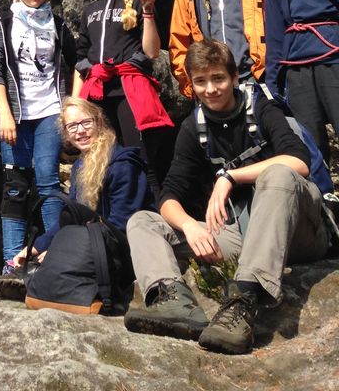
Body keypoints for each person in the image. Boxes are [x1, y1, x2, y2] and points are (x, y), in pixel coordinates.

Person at [124, 38, 328, 355]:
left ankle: (243, 301)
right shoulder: (194, 128)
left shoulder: (262, 108)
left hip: (301, 231)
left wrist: (229, 177)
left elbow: (299, 162)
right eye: (201, 81)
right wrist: (189, 226)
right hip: (244, 234)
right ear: (191, 85)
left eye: (218, 78)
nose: (211, 89)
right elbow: (169, 194)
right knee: (143, 221)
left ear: (234, 77)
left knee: (277, 173)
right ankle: (174, 302)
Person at [0, 97, 153, 302]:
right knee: (45, 257)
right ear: (65, 133)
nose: (80, 131)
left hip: (124, 250)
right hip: (95, 244)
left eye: (86, 123)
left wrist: (62, 251)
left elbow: (121, 224)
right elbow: (71, 217)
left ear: (99, 122)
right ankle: (32, 278)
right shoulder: (81, 166)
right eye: (72, 126)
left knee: (59, 261)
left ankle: (35, 282)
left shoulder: (123, 164)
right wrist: (34, 248)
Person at [0, 0, 77, 288]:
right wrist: (4, 113)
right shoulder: (3, 21)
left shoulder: (58, 24)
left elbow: (78, 61)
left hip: (49, 112)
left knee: (49, 182)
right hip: (15, 114)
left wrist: (72, 106)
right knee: (15, 186)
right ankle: (12, 264)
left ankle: (53, 259)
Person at [73, 0, 174, 191]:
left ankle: (152, 212)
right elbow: (80, 56)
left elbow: (151, 52)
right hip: (97, 93)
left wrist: (148, 11)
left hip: (128, 91)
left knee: (140, 159)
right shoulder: (90, 10)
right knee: (98, 161)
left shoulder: (138, 3)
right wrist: (75, 103)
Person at [264, 0, 339, 163]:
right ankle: (321, 190)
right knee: (310, 143)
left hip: (333, 58)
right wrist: (272, 81)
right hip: (296, 67)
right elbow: (274, 34)